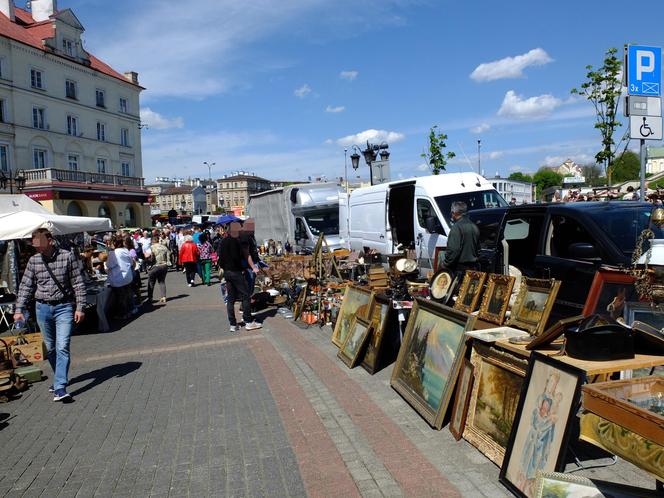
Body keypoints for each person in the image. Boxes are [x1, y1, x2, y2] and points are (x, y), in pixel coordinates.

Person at [14, 228, 86, 402]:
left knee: (62, 346)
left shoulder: (67, 256)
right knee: (51, 348)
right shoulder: (33, 261)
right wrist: (18, 310)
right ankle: (58, 378)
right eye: (34, 242)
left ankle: (60, 387)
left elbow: (78, 283)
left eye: (39, 242)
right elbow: (25, 286)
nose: (36, 246)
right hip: (42, 308)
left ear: (50, 241)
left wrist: (80, 307)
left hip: (63, 307)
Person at [218, 225, 262, 332]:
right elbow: (242, 256)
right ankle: (248, 321)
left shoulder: (223, 241)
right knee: (245, 295)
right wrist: (244, 268)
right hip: (236, 271)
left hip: (227, 272)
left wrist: (225, 268)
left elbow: (220, 259)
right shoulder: (237, 241)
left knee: (231, 299)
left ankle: (233, 324)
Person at [443, 201, 480, 279]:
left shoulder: (456, 227)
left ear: (454, 213)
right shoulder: (474, 226)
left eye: (452, 213)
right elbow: (478, 248)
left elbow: (454, 250)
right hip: (473, 268)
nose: (451, 215)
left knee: (457, 290)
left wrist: (445, 264)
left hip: (460, 270)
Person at [106, 235, 135, 319]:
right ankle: (130, 310)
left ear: (114, 243)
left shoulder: (113, 253)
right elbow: (131, 262)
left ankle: (123, 314)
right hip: (128, 276)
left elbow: (109, 265)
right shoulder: (126, 250)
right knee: (128, 295)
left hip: (119, 278)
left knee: (120, 298)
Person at [147, 235, 171, 303]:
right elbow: (168, 256)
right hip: (164, 266)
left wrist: (147, 260)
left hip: (155, 266)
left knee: (151, 282)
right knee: (162, 281)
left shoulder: (152, 247)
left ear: (152, 241)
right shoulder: (164, 247)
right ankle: (163, 297)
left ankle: (150, 297)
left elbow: (151, 259)